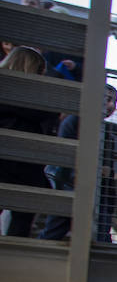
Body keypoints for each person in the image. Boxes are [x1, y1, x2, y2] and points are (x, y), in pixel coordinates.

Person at [40, 83, 117, 243]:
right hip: (76, 186)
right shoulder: (78, 121)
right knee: (95, 233)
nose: (111, 106)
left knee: (56, 230)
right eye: (107, 100)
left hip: (80, 186)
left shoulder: (91, 123)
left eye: (114, 102)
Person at [0, 46, 57, 238]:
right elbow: (47, 115)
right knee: (23, 216)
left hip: (10, 163)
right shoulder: (38, 99)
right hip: (23, 164)